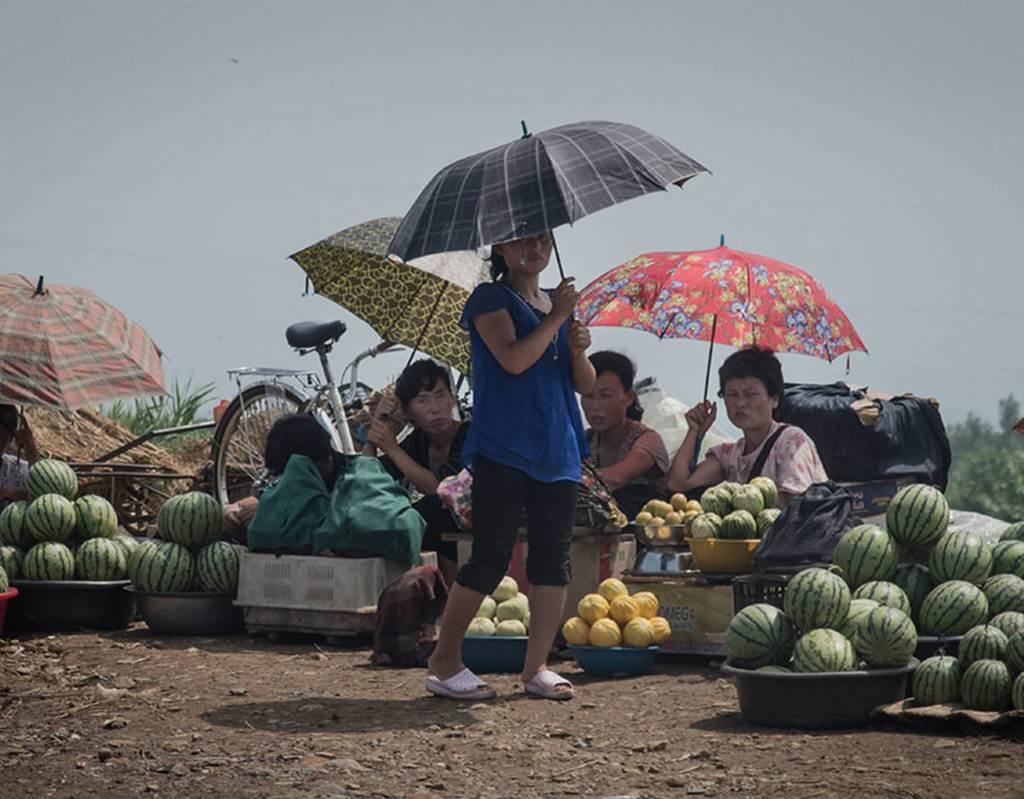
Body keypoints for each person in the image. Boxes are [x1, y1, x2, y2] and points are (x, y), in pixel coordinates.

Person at [426, 231, 595, 702]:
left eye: (543, 237)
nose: (535, 248)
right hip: (505, 445)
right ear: (499, 248)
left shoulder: (553, 302)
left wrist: (577, 344)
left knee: (552, 557)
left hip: (558, 444)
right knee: (490, 555)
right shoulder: (489, 299)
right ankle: (444, 659)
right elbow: (514, 359)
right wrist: (559, 316)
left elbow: (584, 383)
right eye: (521, 239)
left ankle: (536, 667)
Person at [667, 346, 828, 506]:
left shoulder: (792, 442)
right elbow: (679, 484)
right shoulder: (729, 454)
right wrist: (695, 431)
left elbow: (797, 508)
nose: (740, 403)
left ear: (775, 399)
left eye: (750, 394)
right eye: (732, 394)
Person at [362, 358, 469, 587]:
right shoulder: (419, 442)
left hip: (484, 519)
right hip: (445, 529)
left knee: (428, 511)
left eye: (441, 395)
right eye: (422, 400)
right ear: (408, 411)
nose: (435, 407)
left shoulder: (471, 435)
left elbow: (440, 488)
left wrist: (390, 446)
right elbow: (368, 477)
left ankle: (450, 595)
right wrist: (379, 424)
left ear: (452, 399)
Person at [223, 414, 345, 540]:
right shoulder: (293, 482)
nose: (287, 479)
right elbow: (255, 500)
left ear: (323, 462)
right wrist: (235, 512)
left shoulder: (351, 485)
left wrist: (270, 513)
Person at [580, 351, 670, 518]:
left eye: (605, 395)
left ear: (628, 397)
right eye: (588, 396)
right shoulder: (585, 440)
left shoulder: (647, 439)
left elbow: (617, 477)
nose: (595, 406)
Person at [0, 404, 40, 506]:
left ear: (11, 438)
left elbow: (44, 496)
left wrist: (30, 449)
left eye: (1, 435)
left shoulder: (18, 470)